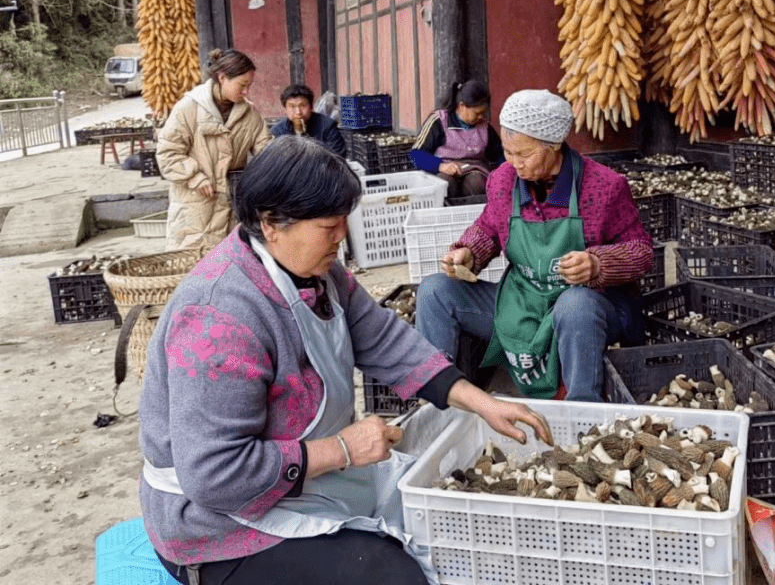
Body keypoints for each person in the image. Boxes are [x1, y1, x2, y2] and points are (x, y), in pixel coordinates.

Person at [138, 136, 551, 585]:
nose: (342, 238)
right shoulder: (218, 319)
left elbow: (386, 340)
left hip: (302, 479)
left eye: (343, 222)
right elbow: (215, 476)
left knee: (442, 512)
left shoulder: (320, 273)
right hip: (218, 526)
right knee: (390, 574)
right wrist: (342, 449)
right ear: (271, 223)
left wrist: (484, 402)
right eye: (328, 226)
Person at [415, 89, 653, 402]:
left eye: (524, 155)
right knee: (434, 290)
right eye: (508, 152)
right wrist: (469, 253)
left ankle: (582, 412)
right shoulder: (502, 180)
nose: (514, 164)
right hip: (523, 307)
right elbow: (489, 227)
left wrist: (597, 264)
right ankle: (435, 400)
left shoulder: (605, 187)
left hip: (586, 313)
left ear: (553, 145)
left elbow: (642, 252)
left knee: (575, 304)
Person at [157, 48, 272, 250]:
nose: (246, 92)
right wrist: (195, 176)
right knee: (193, 267)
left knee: (231, 266)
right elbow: (167, 153)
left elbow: (268, 151)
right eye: (242, 85)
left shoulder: (250, 114)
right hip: (195, 209)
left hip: (232, 208)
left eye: (249, 86)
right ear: (222, 78)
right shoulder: (188, 108)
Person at [410, 80, 504, 199]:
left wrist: (503, 174)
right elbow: (416, 155)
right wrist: (441, 166)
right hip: (444, 170)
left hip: (475, 171)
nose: (481, 117)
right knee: (445, 184)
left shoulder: (485, 127)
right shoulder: (439, 121)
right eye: (477, 113)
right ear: (462, 106)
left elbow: (499, 155)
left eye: (483, 113)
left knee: (476, 183)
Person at [269, 83, 347, 157]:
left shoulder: (327, 126)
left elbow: (337, 157)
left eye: (302, 105)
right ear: (285, 109)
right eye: (292, 106)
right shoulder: (278, 131)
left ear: (311, 107)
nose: (298, 112)